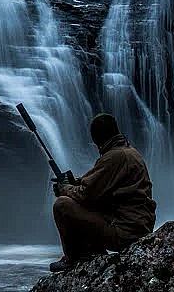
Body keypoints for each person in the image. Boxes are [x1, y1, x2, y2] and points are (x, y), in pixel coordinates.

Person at [49, 112, 157, 273]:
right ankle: (90, 251)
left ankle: (74, 257)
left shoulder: (115, 157)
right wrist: (75, 182)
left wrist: (65, 189)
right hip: (137, 226)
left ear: (97, 138)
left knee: (62, 205)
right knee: (86, 203)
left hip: (125, 232)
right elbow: (96, 182)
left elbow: (86, 194)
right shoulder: (128, 152)